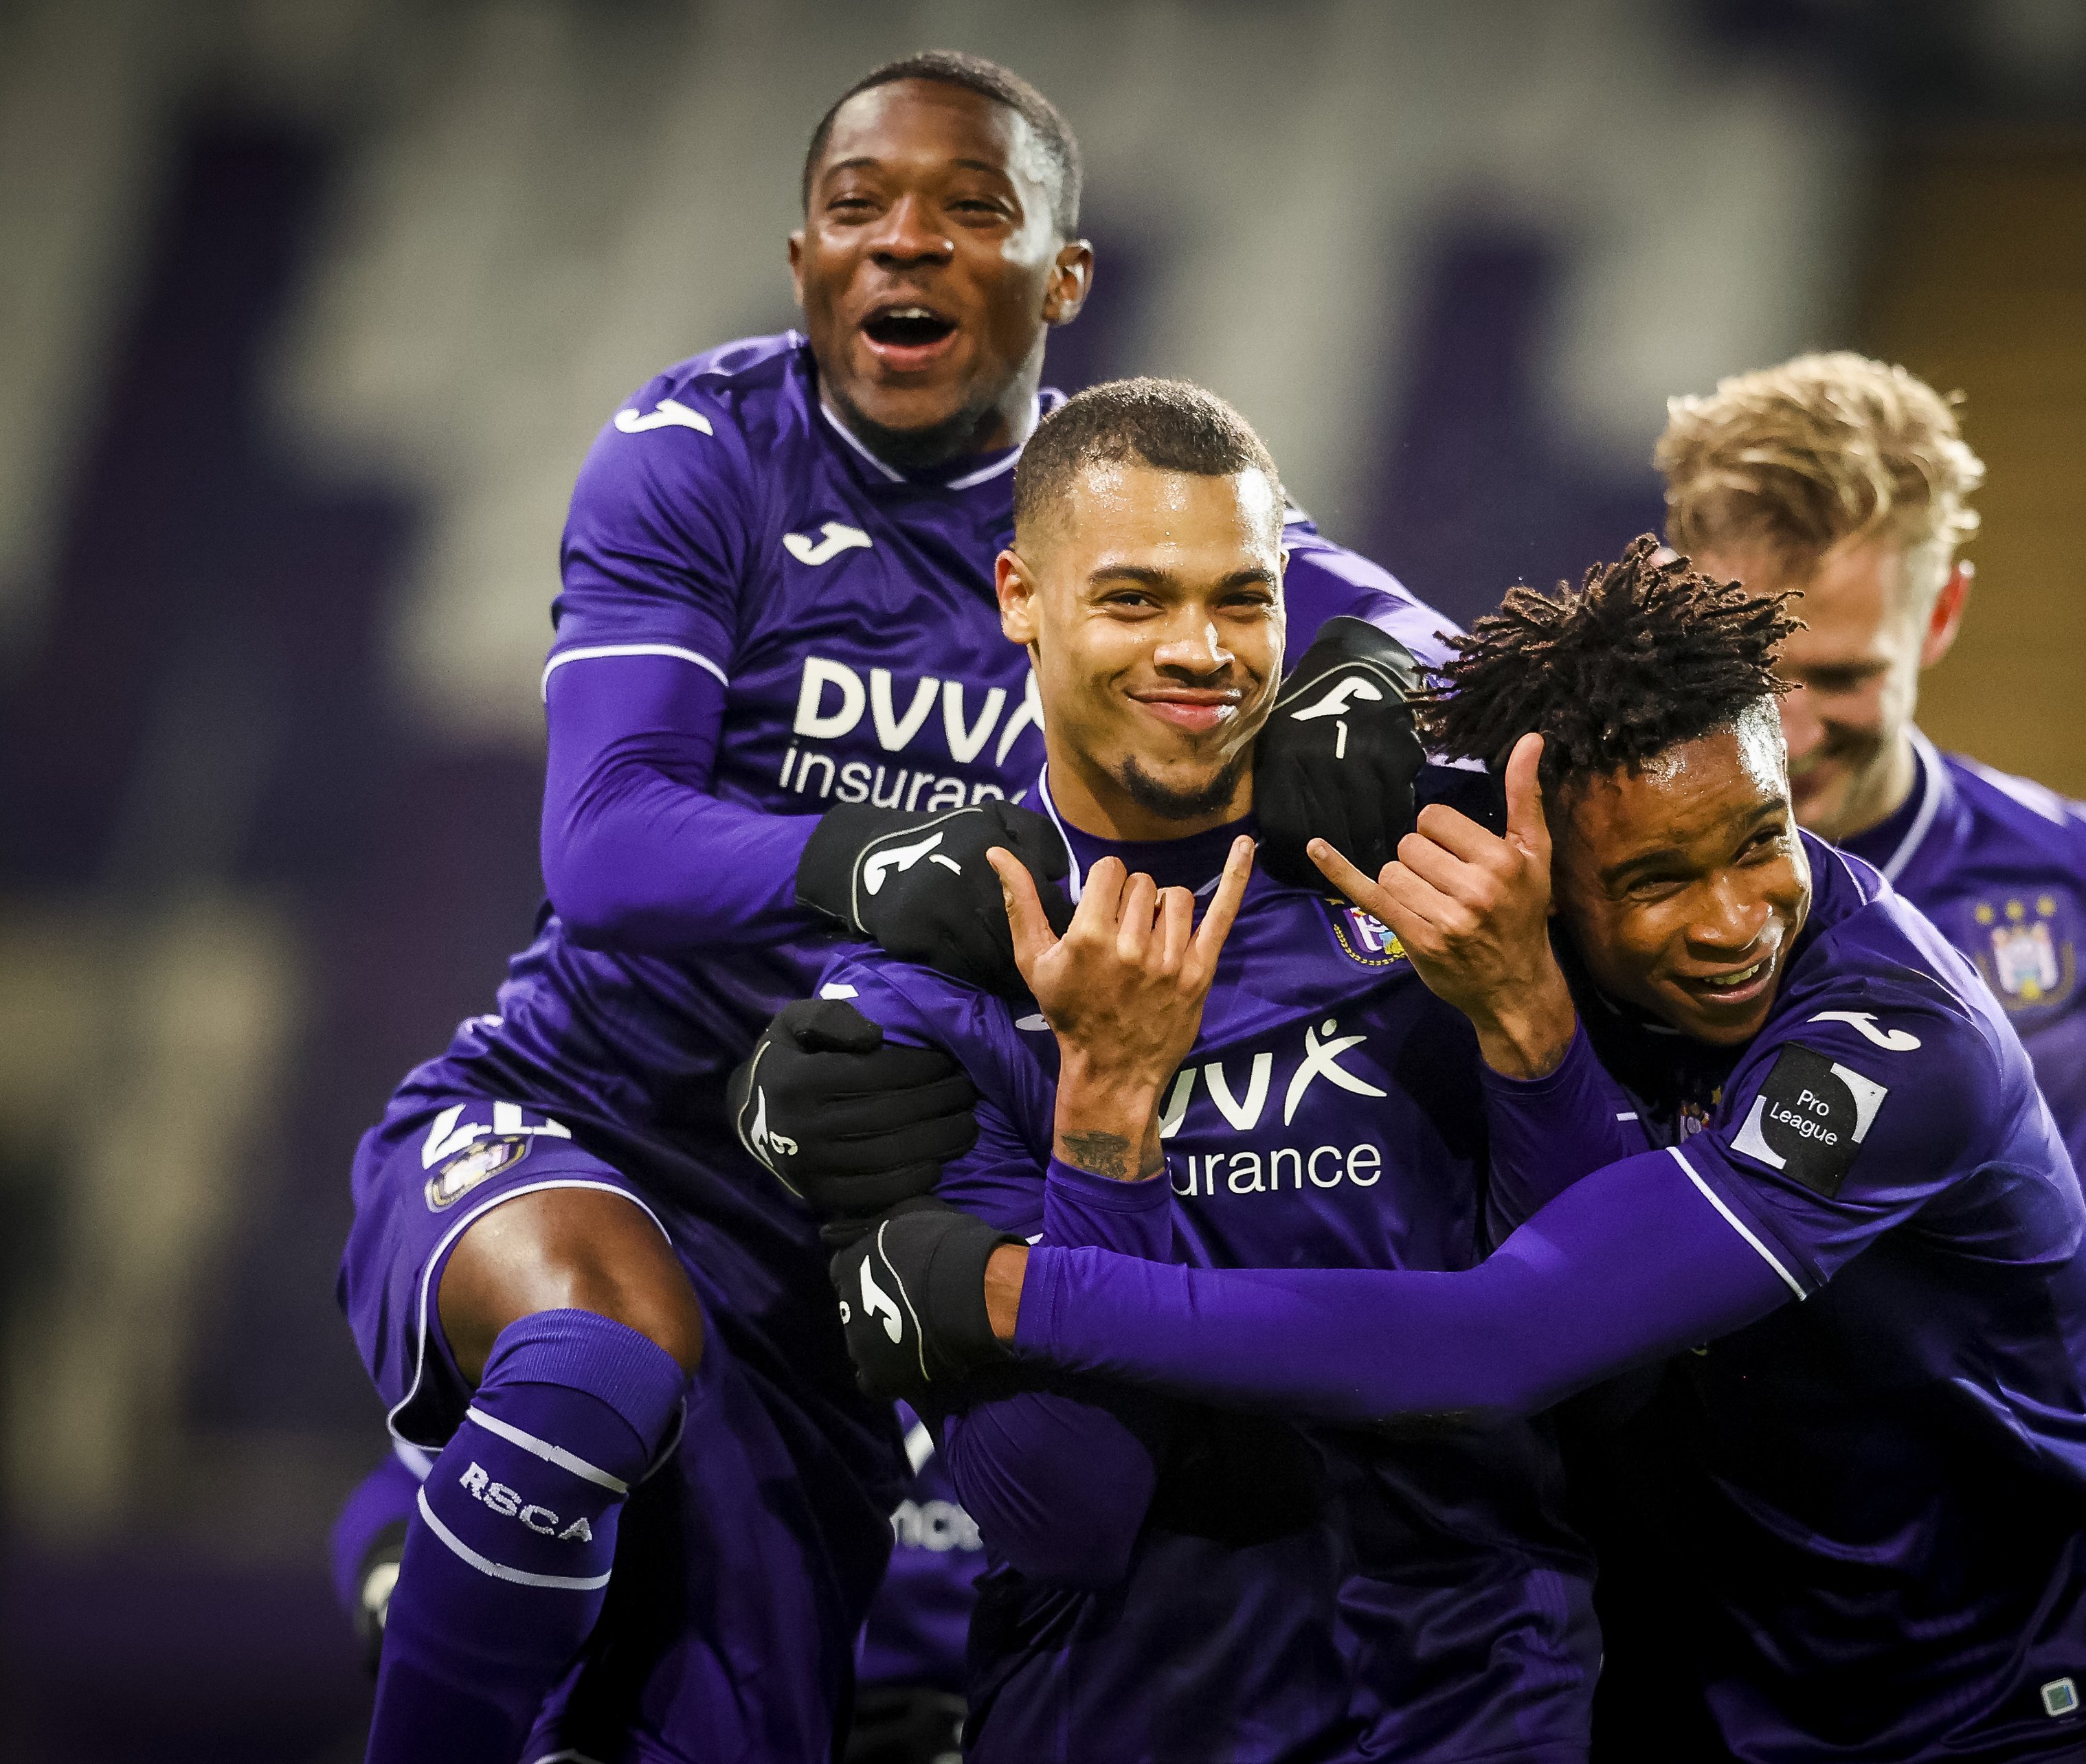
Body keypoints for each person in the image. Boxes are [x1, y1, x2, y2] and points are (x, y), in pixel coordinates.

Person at [331, 51, 1451, 1764]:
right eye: (858, 208)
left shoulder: (1118, 519)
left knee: (773, 1718)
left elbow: (1422, 652)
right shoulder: (698, 454)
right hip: (598, 1123)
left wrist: (1385, 690)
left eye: (971, 210)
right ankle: (443, 1546)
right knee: (596, 1368)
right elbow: (607, 842)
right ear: (801, 262)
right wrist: (868, 858)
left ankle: (474, 1566)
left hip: (861, 1224)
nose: (905, 244)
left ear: (1063, 277)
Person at [837, 544, 2086, 1763]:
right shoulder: (1508, 893)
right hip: (1696, 1702)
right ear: (1538, 861)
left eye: (1761, 842)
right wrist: (897, 944)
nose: (1735, 921)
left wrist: (1007, 1291)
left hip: (1999, 1716)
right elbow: (1198, 657)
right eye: (1658, 881)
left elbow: (1497, 1346)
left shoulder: (1898, 1045)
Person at [794, 378, 1610, 1761]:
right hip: (1123, 1719)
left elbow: (1604, 1329)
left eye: (1241, 600)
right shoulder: (917, 1002)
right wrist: (1105, 1108)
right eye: (1132, 600)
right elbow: (1057, 1517)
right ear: (1017, 596)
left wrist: (1532, 1023)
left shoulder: (1431, 867)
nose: (1199, 651)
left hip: (1486, 1701)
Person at [1653, 352, 2086, 1402]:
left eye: (1842, 675)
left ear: (1939, 617)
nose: (1786, 732)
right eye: (1747, 665)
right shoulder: (1578, 875)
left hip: (1980, 1544)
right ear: (1672, 597)